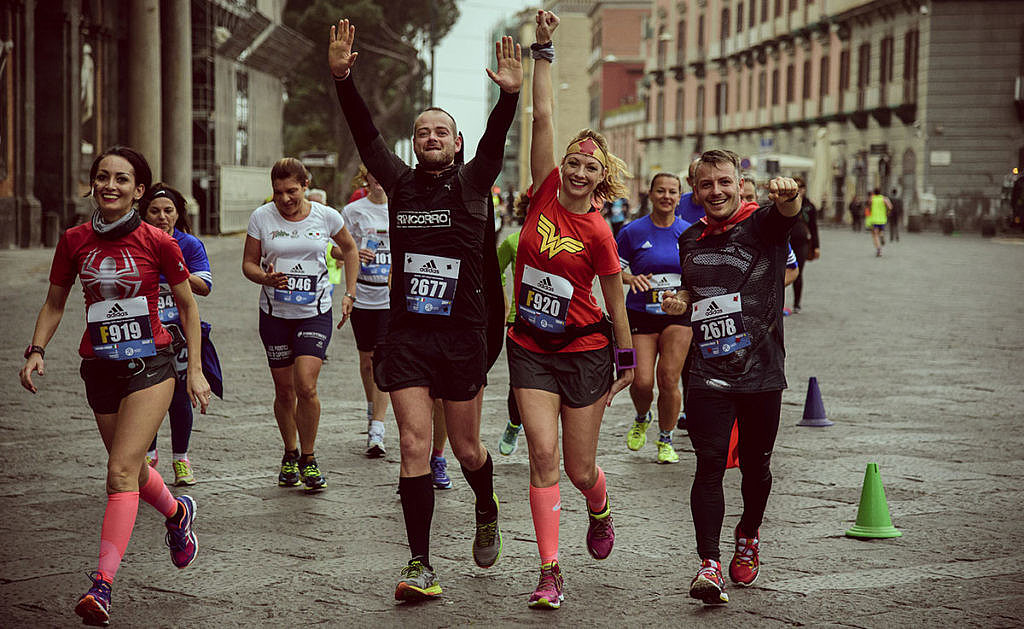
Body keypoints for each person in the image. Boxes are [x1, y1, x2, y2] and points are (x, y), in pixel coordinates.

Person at [329, 19, 519, 600]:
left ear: (457, 143)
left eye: (442, 131)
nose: (431, 137)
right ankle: (419, 564)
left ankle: (486, 505)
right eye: (422, 131)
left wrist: (510, 96)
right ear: (413, 143)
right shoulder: (400, 183)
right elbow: (366, 136)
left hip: (463, 336)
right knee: (413, 444)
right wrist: (343, 80)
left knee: (465, 449)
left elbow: (495, 140)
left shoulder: (475, 182)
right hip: (409, 333)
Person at [19, 146, 209, 626]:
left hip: (151, 364)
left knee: (120, 472)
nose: (109, 185)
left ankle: (101, 585)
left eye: (121, 179)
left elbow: (189, 307)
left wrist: (194, 370)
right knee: (134, 470)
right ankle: (177, 514)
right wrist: (37, 349)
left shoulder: (159, 241)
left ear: (138, 190)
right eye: (102, 177)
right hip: (99, 367)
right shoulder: (73, 240)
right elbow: (55, 303)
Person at [508, 10, 634, 610]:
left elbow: (614, 297)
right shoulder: (542, 192)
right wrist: (543, 50)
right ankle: (550, 570)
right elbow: (543, 115)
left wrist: (627, 356)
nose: (579, 171)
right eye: (574, 162)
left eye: (590, 167)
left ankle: (599, 505)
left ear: (601, 179)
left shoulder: (601, 232)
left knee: (581, 470)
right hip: (531, 345)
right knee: (542, 455)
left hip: (585, 349)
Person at [661, 149, 801, 605]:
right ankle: (709, 563)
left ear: (740, 184)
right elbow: (694, 286)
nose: (716, 191)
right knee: (709, 465)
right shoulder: (690, 238)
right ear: (695, 190)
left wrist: (789, 196)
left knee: (757, 467)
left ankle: (749, 533)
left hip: (761, 372)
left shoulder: (761, 224)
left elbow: (787, 214)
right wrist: (680, 299)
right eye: (706, 184)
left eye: (724, 182)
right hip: (707, 371)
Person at [242, 157, 360, 491]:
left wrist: (350, 293)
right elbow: (248, 264)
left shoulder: (326, 216)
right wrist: (265, 277)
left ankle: (309, 457)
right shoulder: (261, 217)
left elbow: (350, 249)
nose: (285, 199)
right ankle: (290, 452)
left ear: (305, 185)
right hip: (275, 314)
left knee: (306, 385)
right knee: (284, 390)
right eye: (278, 192)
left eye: (291, 191)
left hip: (314, 312)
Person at [141, 183, 224, 485]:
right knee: (144, 396)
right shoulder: (135, 243)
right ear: (144, 213)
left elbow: (205, 286)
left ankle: (181, 460)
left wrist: (176, 268)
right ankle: (147, 456)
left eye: (168, 211)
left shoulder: (189, 245)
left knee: (179, 396)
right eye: (154, 211)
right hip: (144, 334)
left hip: (179, 334)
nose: (162, 217)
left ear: (178, 214)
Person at [618, 173, 691, 464]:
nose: (666, 197)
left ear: (679, 197)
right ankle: (642, 416)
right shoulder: (632, 231)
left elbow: (697, 275)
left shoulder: (689, 232)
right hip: (641, 313)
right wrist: (631, 278)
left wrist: (682, 297)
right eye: (660, 191)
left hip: (678, 315)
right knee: (641, 382)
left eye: (673, 192)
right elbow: (613, 270)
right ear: (650, 194)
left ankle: (665, 439)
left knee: (669, 378)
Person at [341, 165, 391, 457]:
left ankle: (378, 430)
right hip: (363, 295)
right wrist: (354, 252)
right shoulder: (353, 211)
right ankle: (372, 408)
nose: (379, 180)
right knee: (367, 362)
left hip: (389, 298)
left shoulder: (399, 208)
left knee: (383, 360)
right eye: (374, 174)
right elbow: (335, 250)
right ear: (367, 177)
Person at [496, 221, 524, 456]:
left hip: (563, 325)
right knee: (518, 382)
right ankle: (514, 424)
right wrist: (505, 301)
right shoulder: (514, 241)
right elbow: (494, 268)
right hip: (519, 320)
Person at [788, 177, 820, 313]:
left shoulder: (809, 206)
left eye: (801, 187)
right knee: (781, 273)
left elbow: (813, 227)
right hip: (786, 242)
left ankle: (797, 304)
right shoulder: (785, 203)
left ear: (804, 189)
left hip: (802, 242)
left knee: (798, 272)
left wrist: (816, 246)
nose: (799, 190)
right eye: (796, 187)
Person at [675, 157, 706, 224]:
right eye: (695, 177)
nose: (699, 182)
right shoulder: (678, 203)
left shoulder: (717, 204)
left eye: (704, 178)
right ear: (689, 181)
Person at [867, 188, 892, 257]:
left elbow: (868, 207)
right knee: (880, 231)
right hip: (882, 219)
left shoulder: (872, 199)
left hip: (874, 219)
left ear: (874, 193)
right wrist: (887, 213)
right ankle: (882, 236)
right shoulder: (884, 199)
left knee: (875, 235)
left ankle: (879, 249)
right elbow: (890, 207)